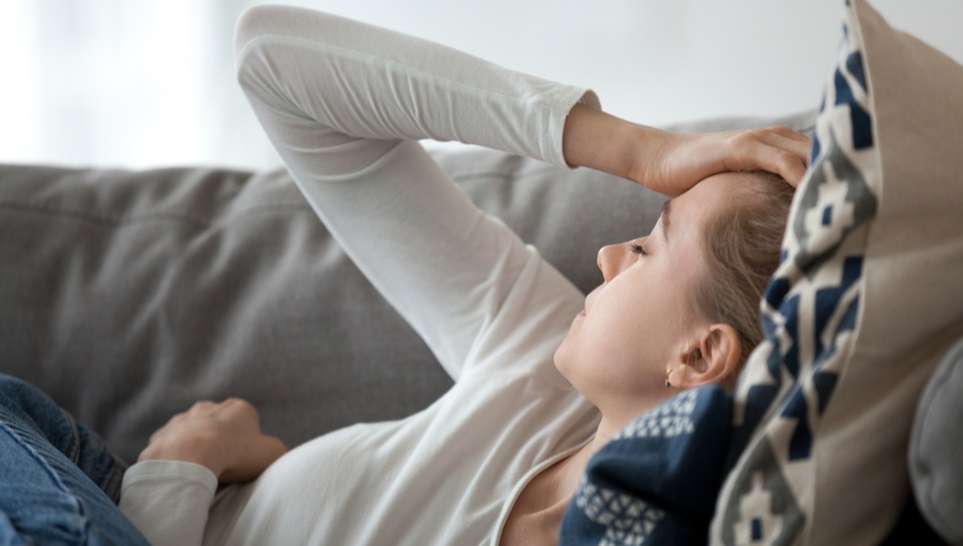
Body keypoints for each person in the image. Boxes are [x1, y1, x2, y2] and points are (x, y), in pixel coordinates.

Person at [0, 5, 809, 546]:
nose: (605, 254)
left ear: (698, 356)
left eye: (648, 248)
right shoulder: (530, 360)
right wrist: (640, 150)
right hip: (69, 481)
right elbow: (274, 62)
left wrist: (177, 474)